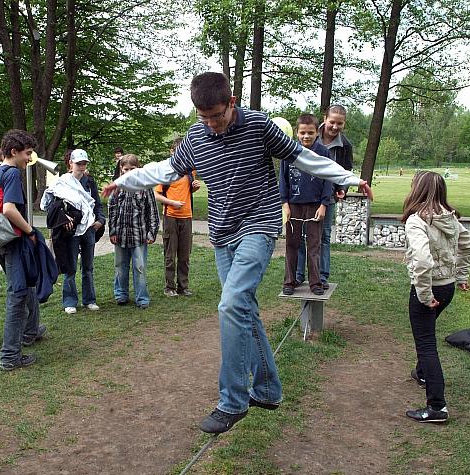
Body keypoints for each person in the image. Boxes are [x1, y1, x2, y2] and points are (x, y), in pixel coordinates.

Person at [101, 72, 373, 434]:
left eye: (216, 116)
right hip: (222, 233)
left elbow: (303, 158)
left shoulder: (258, 126)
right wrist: (122, 181)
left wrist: (349, 178)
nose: (211, 124)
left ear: (231, 103)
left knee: (230, 305)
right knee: (244, 308)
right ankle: (268, 390)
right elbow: (163, 170)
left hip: (259, 225)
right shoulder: (196, 137)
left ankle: (232, 401)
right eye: (203, 117)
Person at [402, 170, 470, 422]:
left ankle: (437, 407)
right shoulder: (450, 218)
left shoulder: (416, 221)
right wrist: (461, 276)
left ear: (417, 190)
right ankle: (423, 373)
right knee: (427, 334)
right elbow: (469, 245)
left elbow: (423, 261)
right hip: (447, 287)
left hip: (431, 289)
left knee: (426, 344)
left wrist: (423, 294)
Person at [0, 129, 45, 371]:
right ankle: (10, 355)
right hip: (13, 242)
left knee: (24, 288)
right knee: (17, 295)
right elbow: (9, 209)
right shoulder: (11, 174)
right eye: (27, 153)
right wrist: (30, 231)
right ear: (14, 152)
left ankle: (31, 330)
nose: (29, 159)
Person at [295, 104, 354, 288]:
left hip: (327, 197)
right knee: (301, 235)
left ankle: (321, 276)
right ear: (325, 119)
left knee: (324, 236)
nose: (335, 127)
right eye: (332, 122)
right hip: (304, 195)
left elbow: (346, 170)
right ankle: (298, 275)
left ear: (344, 124)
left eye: (340, 123)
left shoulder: (345, 146)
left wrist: (342, 188)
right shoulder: (309, 133)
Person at [41, 148, 104, 314]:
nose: (81, 167)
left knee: (88, 266)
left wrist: (100, 220)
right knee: (70, 267)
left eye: (84, 164)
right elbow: (51, 206)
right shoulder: (61, 182)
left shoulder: (89, 182)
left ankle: (89, 300)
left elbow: (97, 204)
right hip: (71, 230)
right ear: (71, 163)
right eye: (78, 164)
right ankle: (69, 301)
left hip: (89, 228)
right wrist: (63, 218)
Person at [280, 114, 333, 296]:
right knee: (292, 244)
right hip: (293, 205)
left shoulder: (323, 152)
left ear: (317, 133)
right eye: (302, 132)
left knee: (314, 245)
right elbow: (283, 180)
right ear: (297, 132)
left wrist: (324, 204)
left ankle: (316, 282)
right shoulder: (289, 151)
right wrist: (285, 203)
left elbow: (328, 179)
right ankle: (290, 281)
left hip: (315, 205)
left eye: (310, 133)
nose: (306, 136)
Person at [107, 153, 159, 309]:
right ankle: (121, 294)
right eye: (126, 169)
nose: (129, 172)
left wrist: (152, 232)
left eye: (132, 169)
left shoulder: (145, 187)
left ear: (138, 168)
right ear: (121, 169)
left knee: (139, 267)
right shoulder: (117, 187)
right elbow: (112, 210)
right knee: (120, 266)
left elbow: (152, 211)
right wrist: (112, 231)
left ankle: (142, 298)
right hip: (120, 235)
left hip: (139, 235)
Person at [154, 137, 200, 297]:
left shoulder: (190, 171)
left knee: (184, 255)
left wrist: (194, 188)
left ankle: (183, 287)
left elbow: (187, 190)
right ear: (172, 152)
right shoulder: (166, 172)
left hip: (187, 216)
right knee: (170, 254)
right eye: (178, 152)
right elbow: (156, 195)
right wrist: (171, 202)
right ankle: (169, 287)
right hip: (170, 217)